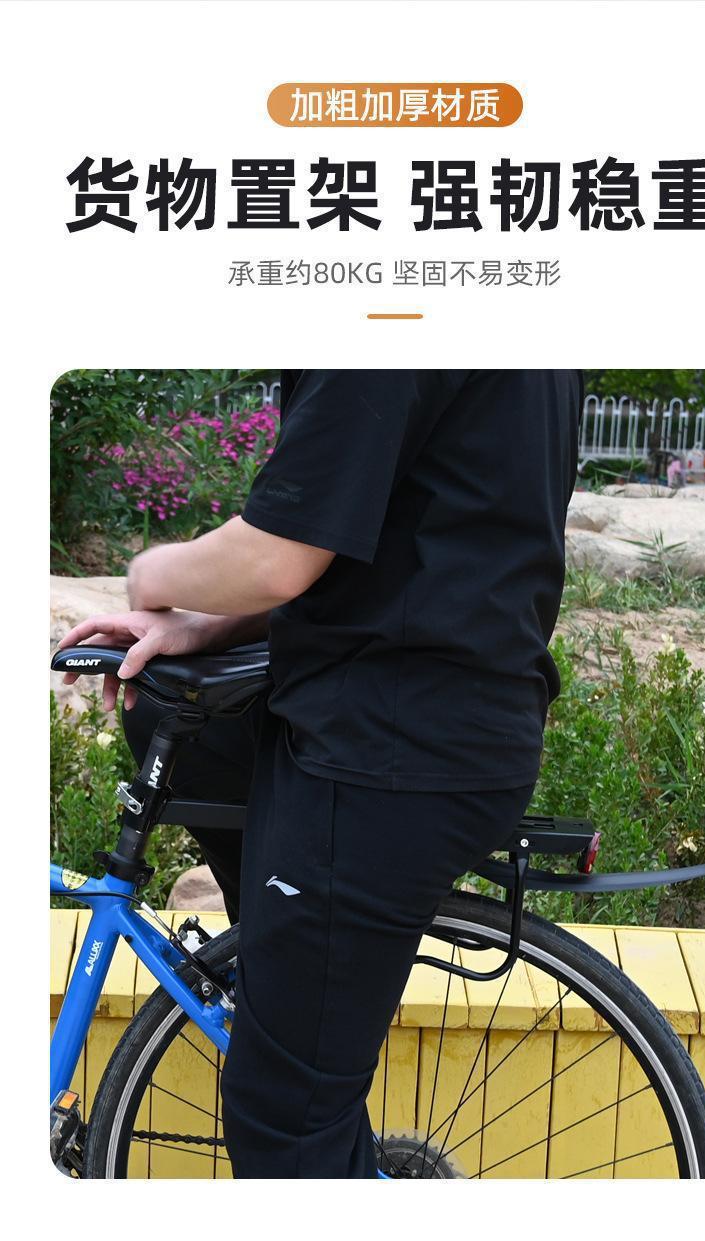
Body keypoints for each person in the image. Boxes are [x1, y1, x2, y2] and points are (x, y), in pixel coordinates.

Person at [59, 369, 582, 1179]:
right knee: (169, 716)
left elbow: (278, 555)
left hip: (386, 745)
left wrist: (149, 575)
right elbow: (409, 536)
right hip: (445, 719)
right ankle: (279, 996)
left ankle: (295, 1059)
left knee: (283, 1122)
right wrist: (206, 623)